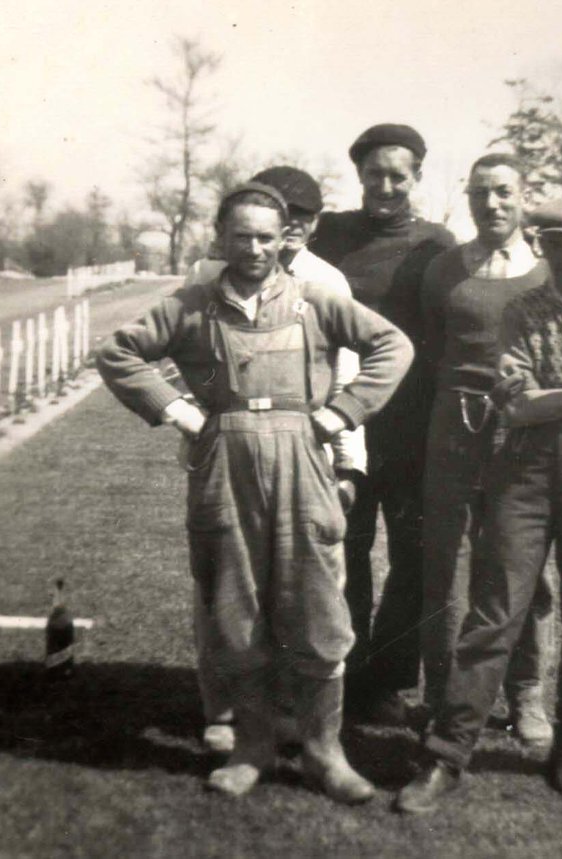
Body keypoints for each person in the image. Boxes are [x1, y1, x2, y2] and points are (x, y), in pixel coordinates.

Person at [96, 182, 413, 804]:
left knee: (320, 612)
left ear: (285, 238)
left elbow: (392, 346)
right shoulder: (191, 305)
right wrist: (180, 412)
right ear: (221, 237)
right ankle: (253, 748)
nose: (254, 248)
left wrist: (340, 415)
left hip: (303, 456)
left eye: (266, 236)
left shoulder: (317, 301)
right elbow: (118, 353)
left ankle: (326, 754)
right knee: (235, 614)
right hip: (225, 462)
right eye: (241, 235)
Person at [395, 194, 562, 814]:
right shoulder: (521, 312)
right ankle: (445, 754)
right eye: (559, 245)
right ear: (544, 248)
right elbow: (516, 409)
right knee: (495, 610)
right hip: (523, 472)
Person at [183, 166, 367, 755]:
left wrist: (346, 463)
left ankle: (301, 720)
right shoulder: (207, 275)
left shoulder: (324, 282)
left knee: (310, 589)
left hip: (304, 459)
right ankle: (223, 712)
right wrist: (195, 421)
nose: (276, 238)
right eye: (263, 223)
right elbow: (185, 356)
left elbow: (346, 374)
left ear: (305, 227)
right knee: (223, 591)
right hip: (227, 459)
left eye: (295, 223)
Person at [311, 123, 457, 723]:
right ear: (360, 176)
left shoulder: (437, 245)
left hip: (410, 423)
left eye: (399, 175)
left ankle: (390, 679)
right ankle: (344, 668)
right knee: (344, 544)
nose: (386, 186)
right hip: (342, 417)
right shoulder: (331, 234)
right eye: (376, 174)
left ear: (417, 178)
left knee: (413, 552)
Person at [418, 153, 554, 746]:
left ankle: (527, 695)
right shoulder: (446, 268)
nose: (491, 204)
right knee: (442, 564)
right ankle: (439, 693)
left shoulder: (547, 275)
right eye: (479, 193)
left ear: (524, 198)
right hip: (452, 427)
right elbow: (426, 349)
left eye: (503, 192)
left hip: (522, 433)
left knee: (520, 567)